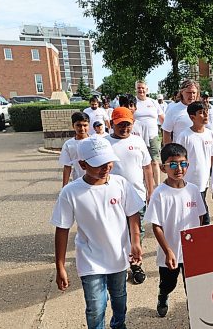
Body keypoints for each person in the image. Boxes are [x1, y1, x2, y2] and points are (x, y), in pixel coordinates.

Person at [51, 136, 143, 329]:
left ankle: (119, 323)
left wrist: (135, 242)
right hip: (90, 259)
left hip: (118, 255)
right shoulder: (70, 192)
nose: (106, 167)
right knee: (95, 306)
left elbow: (133, 214)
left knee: (119, 298)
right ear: (83, 164)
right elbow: (62, 229)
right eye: (98, 164)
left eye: (108, 161)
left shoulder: (121, 184)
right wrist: (60, 266)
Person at [144, 143, 206, 317]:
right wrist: (168, 250)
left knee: (192, 286)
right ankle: (163, 296)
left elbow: (200, 216)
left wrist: (197, 243)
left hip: (191, 252)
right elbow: (156, 226)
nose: (179, 168)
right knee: (168, 283)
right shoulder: (160, 194)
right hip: (169, 253)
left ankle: (195, 314)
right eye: (173, 164)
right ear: (164, 168)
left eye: (183, 163)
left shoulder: (193, 190)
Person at [105, 107, 154, 285]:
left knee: (136, 233)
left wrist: (151, 190)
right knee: (117, 233)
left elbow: (147, 167)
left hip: (137, 196)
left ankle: (136, 264)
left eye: (128, 124)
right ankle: (120, 266)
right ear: (112, 124)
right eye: (120, 125)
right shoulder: (104, 143)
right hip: (113, 200)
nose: (124, 128)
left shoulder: (138, 141)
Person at [178, 101, 213, 225]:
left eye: (206, 111)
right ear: (192, 117)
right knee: (196, 211)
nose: (205, 115)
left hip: (204, 180)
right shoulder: (184, 136)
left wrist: (209, 174)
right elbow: (179, 159)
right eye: (201, 113)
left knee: (200, 208)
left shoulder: (210, 134)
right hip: (189, 180)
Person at [135, 80, 165, 186]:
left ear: (147, 90)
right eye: (139, 88)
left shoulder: (153, 102)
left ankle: (157, 185)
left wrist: (167, 131)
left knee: (155, 161)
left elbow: (162, 118)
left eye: (143, 88)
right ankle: (145, 185)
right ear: (136, 89)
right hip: (138, 138)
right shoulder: (133, 102)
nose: (141, 90)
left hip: (153, 136)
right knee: (140, 162)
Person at [162, 79, 199, 145]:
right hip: (180, 152)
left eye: (194, 93)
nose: (191, 95)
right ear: (182, 92)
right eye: (189, 92)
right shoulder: (173, 110)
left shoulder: (201, 110)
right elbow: (166, 133)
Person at [59, 112, 89, 187]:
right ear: (73, 126)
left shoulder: (95, 141)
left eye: (85, 125)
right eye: (78, 125)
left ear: (89, 125)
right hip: (78, 182)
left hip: (96, 182)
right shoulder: (68, 144)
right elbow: (67, 166)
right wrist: (64, 187)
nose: (82, 128)